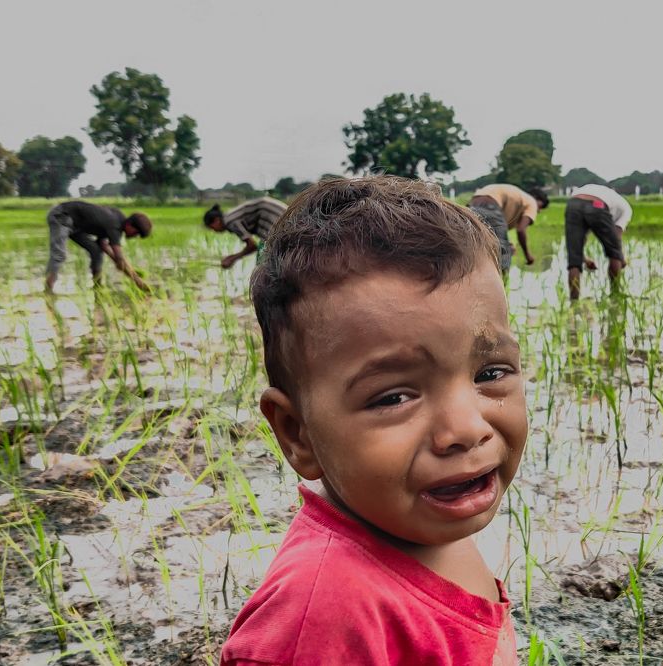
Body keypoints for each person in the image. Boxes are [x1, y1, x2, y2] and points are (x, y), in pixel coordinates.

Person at [221, 176, 527, 665]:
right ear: (298, 434)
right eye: (393, 397)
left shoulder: (423, 519)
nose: (467, 428)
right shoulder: (322, 621)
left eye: (489, 372)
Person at [45, 200, 152, 294]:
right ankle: (48, 290)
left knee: (96, 251)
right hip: (62, 216)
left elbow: (103, 245)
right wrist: (138, 281)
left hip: (77, 226)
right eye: (136, 233)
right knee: (60, 255)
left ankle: (97, 287)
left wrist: (125, 267)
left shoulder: (118, 220)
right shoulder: (114, 225)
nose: (135, 236)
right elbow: (119, 259)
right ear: (130, 225)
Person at [565, 184, 632, 300]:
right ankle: (615, 295)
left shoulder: (603, 193)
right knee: (614, 254)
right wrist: (621, 258)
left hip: (573, 203)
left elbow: (581, 238)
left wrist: (584, 259)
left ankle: (574, 301)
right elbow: (616, 240)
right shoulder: (626, 209)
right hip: (597, 204)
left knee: (574, 260)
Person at [467, 183, 549, 273]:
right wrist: (528, 255)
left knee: (478, 248)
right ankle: (503, 283)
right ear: (537, 199)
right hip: (491, 203)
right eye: (541, 206)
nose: (539, 211)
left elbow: (495, 228)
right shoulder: (532, 202)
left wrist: (507, 243)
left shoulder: (519, 197)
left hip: (474, 203)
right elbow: (521, 230)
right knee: (503, 255)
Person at [202, 196, 287, 268]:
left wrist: (232, 258)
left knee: (264, 264)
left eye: (212, 228)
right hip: (280, 215)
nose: (214, 231)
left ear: (216, 220)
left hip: (276, 218)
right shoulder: (229, 216)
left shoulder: (230, 222)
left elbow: (252, 246)